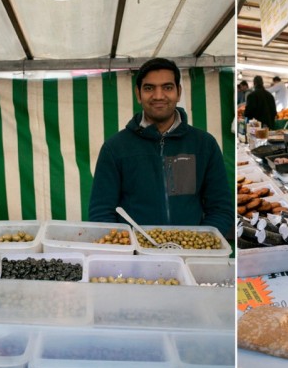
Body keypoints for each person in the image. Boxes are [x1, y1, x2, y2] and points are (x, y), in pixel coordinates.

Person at [88, 58, 233, 237]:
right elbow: (101, 213)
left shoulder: (204, 144)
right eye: (149, 88)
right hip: (136, 259)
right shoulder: (115, 148)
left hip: (192, 256)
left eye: (167, 87)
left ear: (178, 92)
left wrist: (199, 245)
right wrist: (130, 250)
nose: (158, 96)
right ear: (138, 94)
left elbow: (221, 209)